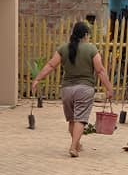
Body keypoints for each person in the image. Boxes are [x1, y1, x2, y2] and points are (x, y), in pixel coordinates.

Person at [31, 21, 114, 158]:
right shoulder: (91, 49)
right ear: (86, 35)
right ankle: (73, 147)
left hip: (67, 90)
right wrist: (109, 88)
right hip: (85, 89)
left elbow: (51, 65)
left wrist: (37, 79)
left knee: (72, 120)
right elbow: (100, 70)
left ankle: (77, 144)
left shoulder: (63, 48)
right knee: (80, 119)